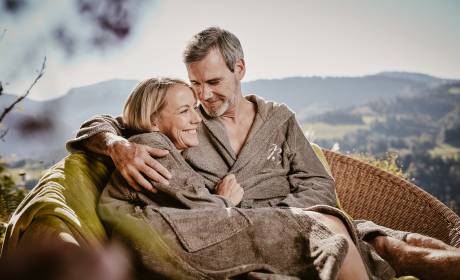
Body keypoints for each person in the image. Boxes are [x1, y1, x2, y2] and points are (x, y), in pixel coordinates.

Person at [67, 27, 460, 279]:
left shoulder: (280, 121)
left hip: (296, 221)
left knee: (390, 240)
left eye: (214, 81)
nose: (204, 95)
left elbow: (318, 183)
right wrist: (117, 146)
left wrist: (282, 213)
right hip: (238, 234)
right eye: (195, 84)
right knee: (384, 250)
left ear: (240, 68)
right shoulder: (182, 123)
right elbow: (109, 122)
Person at [99, 77, 372, 280]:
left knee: (317, 231)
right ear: (154, 121)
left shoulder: (159, 144)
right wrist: (225, 199)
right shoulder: (152, 147)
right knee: (322, 227)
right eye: (185, 111)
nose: (197, 119)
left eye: (195, 108)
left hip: (161, 243)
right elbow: (205, 212)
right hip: (153, 243)